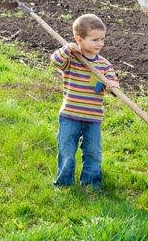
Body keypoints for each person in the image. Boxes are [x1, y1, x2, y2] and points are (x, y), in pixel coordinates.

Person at [51, 14, 119, 191]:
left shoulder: (104, 65)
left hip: (93, 117)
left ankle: (91, 183)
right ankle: (64, 183)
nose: (100, 43)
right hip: (70, 115)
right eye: (95, 39)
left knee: (93, 152)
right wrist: (68, 48)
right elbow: (55, 61)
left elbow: (114, 87)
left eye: (102, 39)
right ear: (79, 39)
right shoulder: (72, 60)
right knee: (66, 151)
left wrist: (112, 86)